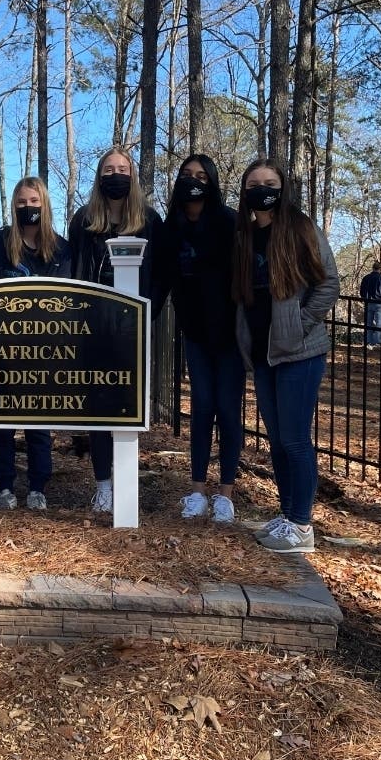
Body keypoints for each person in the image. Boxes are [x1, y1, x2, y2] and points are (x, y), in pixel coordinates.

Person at [233, 160, 339, 553]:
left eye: (270, 183)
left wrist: (301, 324)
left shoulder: (300, 227)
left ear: (282, 187)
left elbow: (329, 282)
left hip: (299, 353)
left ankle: (302, 525)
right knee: (277, 440)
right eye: (254, 183)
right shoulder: (245, 234)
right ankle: (287, 513)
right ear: (245, 191)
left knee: (295, 440)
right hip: (263, 353)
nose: (262, 189)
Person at [67, 146, 164, 514]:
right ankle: (103, 485)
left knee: (128, 404)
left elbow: (161, 274)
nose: (115, 174)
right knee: (99, 407)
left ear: (133, 175)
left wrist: (145, 312)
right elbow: (75, 272)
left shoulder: (150, 221)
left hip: (133, 326)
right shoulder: (83, 220)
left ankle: (126, 483)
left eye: (122, 168)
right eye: (109, 168)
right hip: (93, 324)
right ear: (99, 175)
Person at [154, 154, 241, 524]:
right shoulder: (170, 228)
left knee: (229, 410)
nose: (194, 181)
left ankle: (226, 493)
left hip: (230, 333)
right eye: (187, 175)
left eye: (202, 176)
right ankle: (197, 490)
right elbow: (159, 279)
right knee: (202, 408)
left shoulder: (229, 222)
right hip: (195, 333)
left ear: (213, 182)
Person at [0, 177, 72, 512]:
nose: (27, 208)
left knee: (39, 422)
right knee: (2, 423)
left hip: (46, 351)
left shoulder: (62, 249)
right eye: (21, 203)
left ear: (44, 204)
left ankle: (38, 487)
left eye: (33, 201)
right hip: (4, 349)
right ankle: (4, 487)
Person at [359, 260, 381, 347]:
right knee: (379, 323)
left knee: (368, 323)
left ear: (373, 268)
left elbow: (362, 291)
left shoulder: (366, 278)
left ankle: (368, 341)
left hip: (368, 303)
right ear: (380, 269)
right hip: (379, 303)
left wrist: (364, 299)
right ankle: (376, 342)